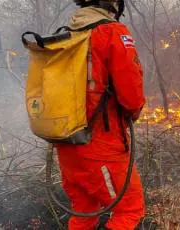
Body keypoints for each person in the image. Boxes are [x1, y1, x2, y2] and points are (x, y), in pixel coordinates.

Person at [56, 0, 146, 229]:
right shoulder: (112, 32)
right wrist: (134, 111)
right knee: (129, 209)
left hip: (68, 145)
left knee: (84, 211)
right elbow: (131, 96)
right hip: (101, 146)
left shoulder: (67, 34)